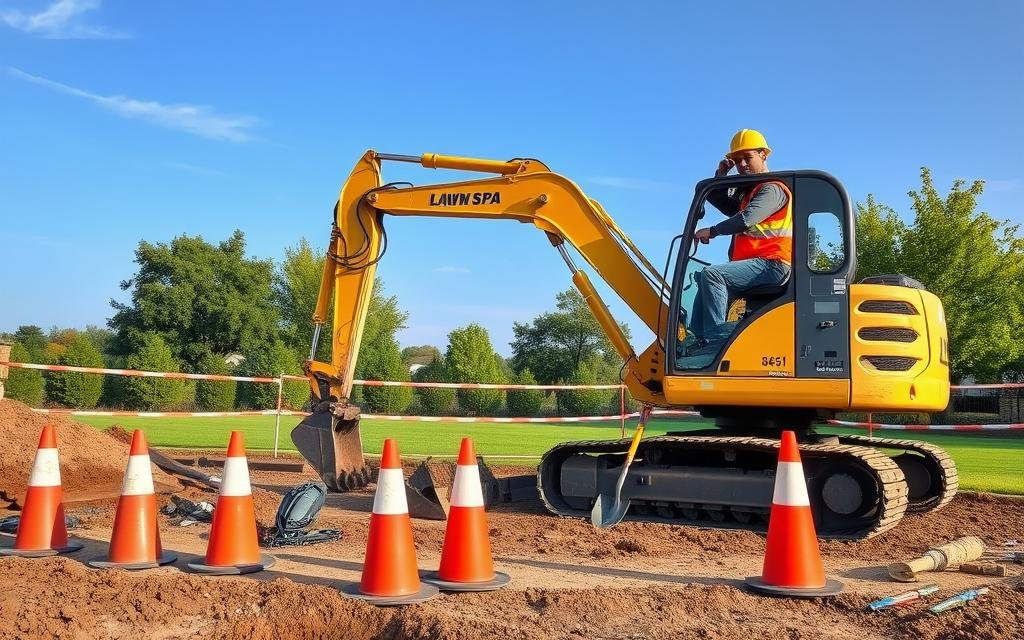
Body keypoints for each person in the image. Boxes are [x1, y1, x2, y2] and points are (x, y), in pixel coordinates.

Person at [685, 129, 793, 350]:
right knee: (704, 281)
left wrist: (713, 231)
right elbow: (724, 204)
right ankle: (696, 341)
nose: (742, 164)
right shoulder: (750, 193)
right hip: (758, 266)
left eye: (748, 157)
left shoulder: (772, 189)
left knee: (713, 275)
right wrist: (720, 177)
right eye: (737, 160)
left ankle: (717, 343)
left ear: (763, 154)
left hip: (773, 264)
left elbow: (746, 219)